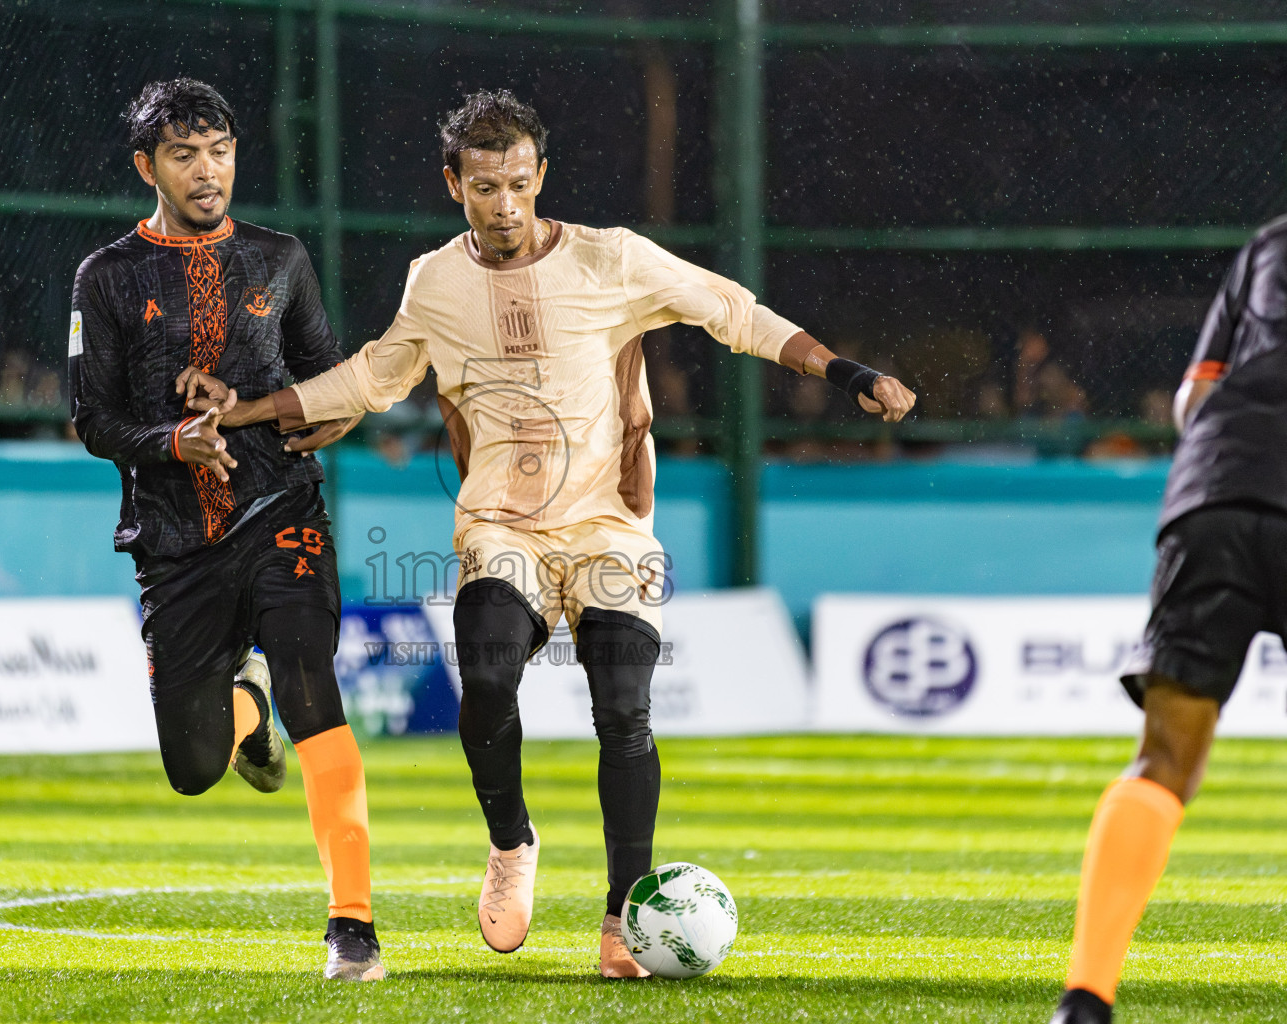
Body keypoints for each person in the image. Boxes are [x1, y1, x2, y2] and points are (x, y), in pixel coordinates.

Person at [181, 89, 916, 978]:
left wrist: (846, 371)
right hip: (502, 528)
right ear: (454, 183)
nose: (506, 205)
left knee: (623, 706)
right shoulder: (436, 281)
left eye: (520, 184)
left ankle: (623, 919)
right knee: (486, 678)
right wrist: (252, 408)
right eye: (486, 187)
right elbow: (370, 378)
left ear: (541, 177)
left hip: (609, 529)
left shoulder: (613, 261)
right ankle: (510, 842)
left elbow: (734, 311)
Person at [67, 78, 379, 981]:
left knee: (314, 686)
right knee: (194, 769)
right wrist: (175, 441)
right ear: (146, 167)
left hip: (283, 511)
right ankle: (246, 711)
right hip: (173, 546)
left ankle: (351, 927)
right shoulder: (108, 276)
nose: (208, 173)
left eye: (220, 151)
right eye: (183, 155)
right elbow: (92, 419)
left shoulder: (280, 258)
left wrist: (339, 413)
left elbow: (328, 380)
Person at [1049, 218, 1287, 1024]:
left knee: (1163, 759)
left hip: (1215, 485)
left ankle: (1085, 999)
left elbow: (1194, 399)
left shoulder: (1269, 243)